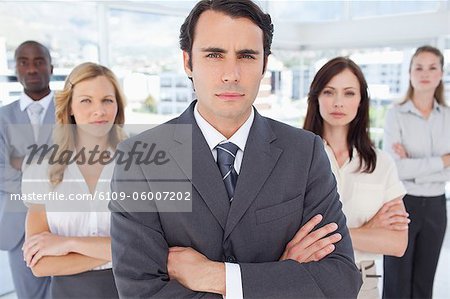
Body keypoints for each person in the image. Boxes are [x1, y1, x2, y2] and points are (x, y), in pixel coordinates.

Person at [109, 1, 362, 298]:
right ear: (188, 62)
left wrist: (219, 277)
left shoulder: (305, 153)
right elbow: (142, 292)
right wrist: (280, 276)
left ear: (265, 64)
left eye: (246, 55)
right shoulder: (140, 159)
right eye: (214, 55)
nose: (231, 74)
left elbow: (341, 280)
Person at [303, 57, 409, 298]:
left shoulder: (382, 163)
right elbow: (285, 233)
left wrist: (327, 236)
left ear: (361, 101)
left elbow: (397, 243)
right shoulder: (296, 156)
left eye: (349, 93)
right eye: (329, 92)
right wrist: (368, 230)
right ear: (316, 97)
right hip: (308, 277)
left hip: (364, 280)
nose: (338, 102)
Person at [20, 62, 126, 298]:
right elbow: (40, 264)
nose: (98, 110)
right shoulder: (40, 166)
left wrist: (68, 243)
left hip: (129, 291)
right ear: (70, 108)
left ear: (117, 106)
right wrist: (116, 250)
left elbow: (150, 249)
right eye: (86, 100)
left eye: (107, 100)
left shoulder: (140, 166)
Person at [382, 45, 449, 299]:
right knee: (396, 280)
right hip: (402, 202)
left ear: (441, 73)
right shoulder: (395, 115)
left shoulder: (448, 117)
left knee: (424, 282)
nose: (425, 73)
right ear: (409, 73)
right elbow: (396, 168)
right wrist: (442, 161)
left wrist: (415, 165)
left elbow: (409, 168)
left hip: (436, 206)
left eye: (432, 67)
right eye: (418, 67)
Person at [0, 40, 54, 299]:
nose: (32, 68)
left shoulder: (71, 111)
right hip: (18, 226)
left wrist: (20, 161)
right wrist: (48, 176)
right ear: (16, 68)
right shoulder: (2, 118)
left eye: (38, 61)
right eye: (24, 62)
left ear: (51, 67)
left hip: (66, 221)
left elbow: (80, 162)